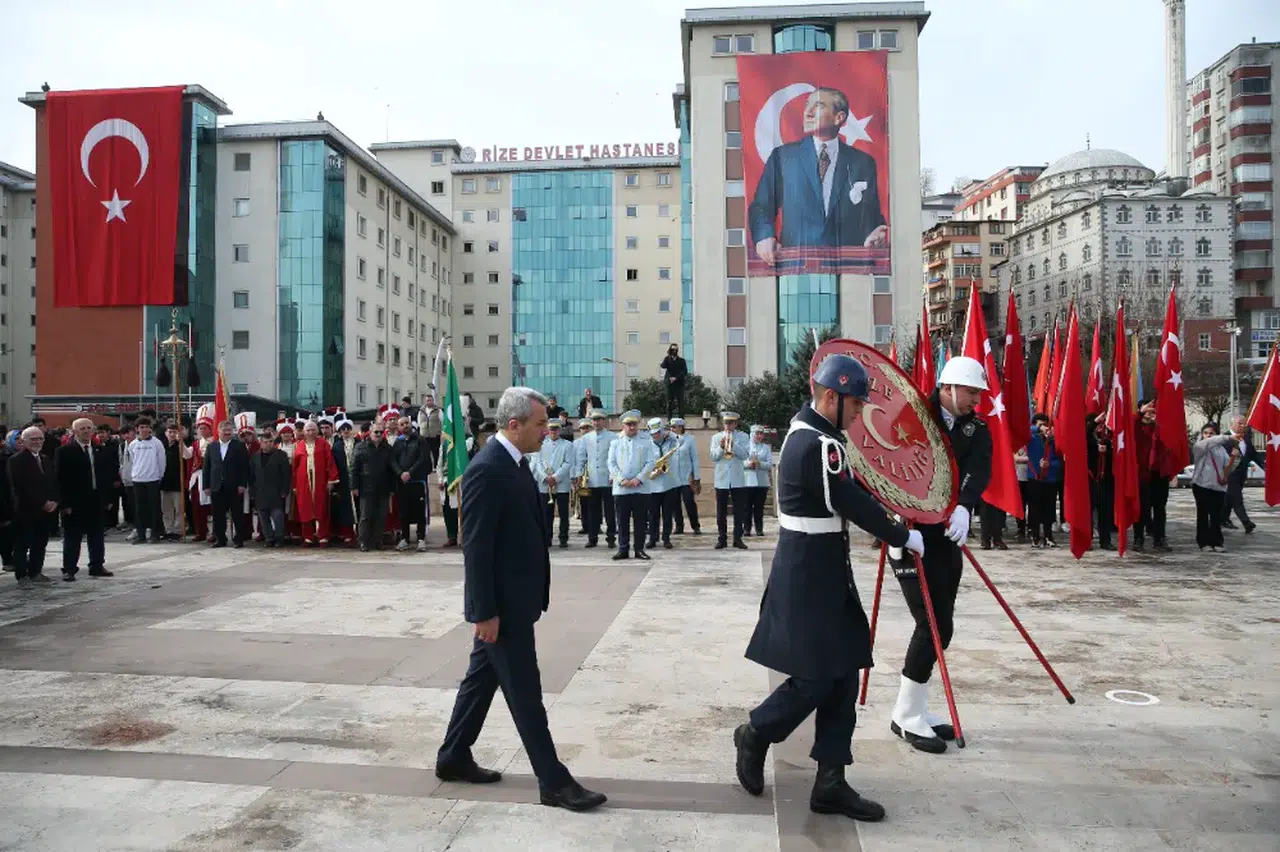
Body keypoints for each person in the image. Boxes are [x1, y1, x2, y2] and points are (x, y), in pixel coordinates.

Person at [735, 353, 923, 822]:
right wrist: (901, 534)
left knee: (843, 673)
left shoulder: (817, 436)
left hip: (822, 567)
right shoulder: (819, 445)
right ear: (831, 396)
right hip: (808, 575)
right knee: (816, 678)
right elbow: (850, 500)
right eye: (856, 405)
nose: (860, 414)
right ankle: (756, 731)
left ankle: (831, 781)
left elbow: (853, 493)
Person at [435, 387, 607, 813]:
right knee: (525, 693)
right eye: (540, 425)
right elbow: (475, 547)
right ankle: (553, 781)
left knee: (480, 681)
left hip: (515, 599)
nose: (548, 432)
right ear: (514, 426)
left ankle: (453, 756)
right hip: (503, 609)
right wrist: (483, 612)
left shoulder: (514, 463)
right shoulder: (487, 470)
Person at [888, 355, 992, 756]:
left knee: (942, 624)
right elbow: (890, 463)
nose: (975, 400)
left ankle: (916, 706)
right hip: (910, 533)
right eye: (970, 392)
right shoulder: (914, 415)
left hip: (948, 532)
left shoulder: (976, 428)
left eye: (978, 392)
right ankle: (905, 715)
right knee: (930, 624)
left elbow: (979, 467)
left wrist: (966, 504)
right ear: (948, 388)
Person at [747, 87, 888, 267]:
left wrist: (877, 232)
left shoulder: (862, 162)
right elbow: (761, 206)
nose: (808, 112)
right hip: (796, 267)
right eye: (807, 105)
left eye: (818, 106)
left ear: (839, 118)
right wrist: (764, 236)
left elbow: (871, 215)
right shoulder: (784, 157)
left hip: (847, 269)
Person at [54, 417, 117, 581]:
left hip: (96, 499)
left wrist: (108, 498)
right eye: (82, 428)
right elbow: (60, 479)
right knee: (72, 537)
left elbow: (107, 476)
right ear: (74, 432)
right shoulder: (65, 451)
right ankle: (69, 569)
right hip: (75, 502)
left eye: (89, 428)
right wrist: (64, 503)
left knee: (96, 535)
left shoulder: (100, 450)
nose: (87, 431)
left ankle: (96, 566)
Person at [7, 426, 58, 586]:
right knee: (22, 544)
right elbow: (20, 486)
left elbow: (51, 483)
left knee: (40, 543)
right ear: (24, 441)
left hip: (45, 511)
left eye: (40, 438)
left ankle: (36, 571)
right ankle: (22, 575)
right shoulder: (16, 460)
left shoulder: (45, 459)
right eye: (33, 439)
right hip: (26, 510)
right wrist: (41, 503)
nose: (37, 442)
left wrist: (54, 501)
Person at [607, 410, 655, 561]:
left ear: (638, 425)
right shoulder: (615, 442)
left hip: (640, 488)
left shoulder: (646, 440)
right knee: (622, 521)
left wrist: (638, 479)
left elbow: (650, 462)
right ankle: (623, 549)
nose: (632, 427)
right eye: (628, 424)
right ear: (623, 426)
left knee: (640, 521)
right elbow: (611, 463)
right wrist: (621, 479)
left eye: (634, 424)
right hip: (621, 489)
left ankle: (639, 549)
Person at [202, 420, 250, 548]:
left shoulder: (239, 446)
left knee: (237, 515)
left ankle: (239, 539)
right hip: (216, 486)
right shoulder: (212, 446)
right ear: (218, 432)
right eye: (224, 430)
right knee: (218, 515)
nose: (227, 433)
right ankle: (220, 539)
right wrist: (205, 485)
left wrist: (242, 484)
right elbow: (206, 467)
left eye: (229, 430)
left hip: (234, 486)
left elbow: (244, 467)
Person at [292, 420, 340, 546]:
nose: (310, 432)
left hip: (320, 481)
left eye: (313, 429)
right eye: (308, 430)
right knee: (305, 509)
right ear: (303, 432)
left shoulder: (323, 444)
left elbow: (330, 463)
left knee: (322, 508)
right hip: (303, 483)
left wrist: (331, 480)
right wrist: (294, 485)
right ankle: (308, 537)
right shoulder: (299, 445)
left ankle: (323, 536)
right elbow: (295, 467)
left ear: (317, 431)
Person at [1190, 422, 1236, 552]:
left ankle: (1217, 542)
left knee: (1216, 516)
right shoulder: (1199, 447)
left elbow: (1228, 468)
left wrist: (1234, 458)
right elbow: (1209, 443)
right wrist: (1228, 437)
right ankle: (1204, 542)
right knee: (1203, 515)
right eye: (1206, 433)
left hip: (1218, 487)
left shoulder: (1221, 450)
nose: (1208, 436)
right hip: (1201, 485)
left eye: (1211, 433)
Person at [710, 411, 751, 550]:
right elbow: (714, 457)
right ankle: (722, 539)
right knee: (721, 511)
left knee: (739, 510)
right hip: (721, 478)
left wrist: (733, 445)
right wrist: (722, 447)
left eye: (731, 423)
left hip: (737, 478)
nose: (728, 425)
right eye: (726, 423)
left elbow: (745, 455)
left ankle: (738, 538)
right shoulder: (716, 437)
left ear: (736, 423)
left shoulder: (743, 437)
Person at [353, 421, 396, 552]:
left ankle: (377, 540)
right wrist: (354, 486)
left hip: (383, 487)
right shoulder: (360, 447)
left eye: (380, 432)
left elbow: (391, 469)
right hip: (366, 487)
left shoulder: (387, 448)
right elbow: (354, 468)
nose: (378, 434)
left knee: (381, 516)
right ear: (370, 433)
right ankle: (363, 542)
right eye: (375, 432)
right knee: (365, 516)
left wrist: (392, 488)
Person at [576, 410, 616, 550]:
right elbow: (581, 457)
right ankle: (592, 538)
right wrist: (579, 473)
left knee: (610, 511)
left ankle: (611, 538)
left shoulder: (612, 437)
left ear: (604, 421)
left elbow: (615, 457)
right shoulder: (586, 438)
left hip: (608, 479)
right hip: (592, 479)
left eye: (599, 420)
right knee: (592, 511)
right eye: (594, 420)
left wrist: (613, 475)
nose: (596, 422)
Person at [393, 416, 433, 551]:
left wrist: (410, 472)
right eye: (402, 424)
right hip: (403, 483)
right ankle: (405, 539)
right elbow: (392, 460)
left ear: (411, 424)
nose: (405, 426)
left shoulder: (420, 440)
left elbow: (423, 458)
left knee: (419, 511)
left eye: (407, 423)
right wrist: (400, 473)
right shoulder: (397, 443)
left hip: (417, 481)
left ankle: (421, 539)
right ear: (399, 428)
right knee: (404, 512)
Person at [534, 418, 573, 548]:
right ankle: (547, 537)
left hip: (561, 484)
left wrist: (555, 477)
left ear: (559, 430)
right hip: (545, 484)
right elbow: (537, 463)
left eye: (556, 429)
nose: (553, 431)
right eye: (551, 429)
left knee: (563, 513)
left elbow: (568, 463)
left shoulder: (567, 445)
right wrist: (545, 477)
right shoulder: (540, 444)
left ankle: (563, 538)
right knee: (546, 514)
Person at [127, 417, 167, 545]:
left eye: (147, 427)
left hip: (153, 479)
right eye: (142, 427)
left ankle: (155, 534)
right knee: (139, 509)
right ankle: (141, 535)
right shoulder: (133, 444)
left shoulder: (157, 443)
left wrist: (159, 476)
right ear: (137, 429)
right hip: (138, 480)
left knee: (154, 508)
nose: (145, 430)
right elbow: (132, 461)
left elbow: (162, 461)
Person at [645, 417, 682, 550]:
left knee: (667, 513)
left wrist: (669, 432)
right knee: (653, 514)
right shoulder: (647, 443)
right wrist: (653, 470)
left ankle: (666, 538)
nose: (656, 435)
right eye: (653, 433)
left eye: (658, 432)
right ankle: (652, 538)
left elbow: (680, 440)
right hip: (653, 483)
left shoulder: (671, 440)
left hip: (669, 483)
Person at [250, 431, 292, 547]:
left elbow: (286, 475)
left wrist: (284, 491)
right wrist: (252, 492)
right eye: (265, 442)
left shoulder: (281, 455)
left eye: (270, 442)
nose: (268, 444)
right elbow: (251, 476)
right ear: (261, 443)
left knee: (278, 517)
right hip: (260, 492)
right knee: (263, 518)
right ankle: (269, 538)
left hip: (276, 492)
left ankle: (279, 538)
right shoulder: (255, 456)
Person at [1025, 413, 1060, 548]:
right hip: (1034, 477)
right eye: (1041, 424)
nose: (1044, 427)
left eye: (1046, 424)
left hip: (1050, 479)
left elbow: (1059, 460)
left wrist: (1049, 464)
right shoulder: (1031, 439)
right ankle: (1035, 535)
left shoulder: (1053, 441)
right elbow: (1025, 431)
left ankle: (1048, 535)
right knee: (1034, 509)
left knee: (1049, 508)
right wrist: (1037, 428)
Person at [1226, 415, 1263, 534]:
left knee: (1229, 499)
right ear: (1232, 425)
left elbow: (1253, 455)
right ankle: (1247, 523)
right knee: (1237, 499)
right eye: (1240, 423)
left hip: (1241, 475)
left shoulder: (1246, 438)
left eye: (1244, 424)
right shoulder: (1225, 438)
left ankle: (1223, 519)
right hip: (1229, 474)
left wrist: (1266, 467)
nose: (1242, 426)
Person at [669, 417, 702, 535]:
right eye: (671, 427)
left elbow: (694, 459)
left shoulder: (690, 439)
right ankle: (679, 526)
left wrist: (696, 477)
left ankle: (695, 525)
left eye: (674, 427)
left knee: (689, 502)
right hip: (673, 477)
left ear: (681, 427)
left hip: (686, 477)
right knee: (674, 503)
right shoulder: (669, 440)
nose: (672, 429)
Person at [1087, 417, 1116, 550]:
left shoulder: (1109, 439)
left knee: (1105, 512)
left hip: (1106, 480)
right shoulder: (1089, 439)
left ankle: (1106, 541)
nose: (1100, 428)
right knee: (1088, 512)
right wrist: (1094, 421)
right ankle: (1087, 540)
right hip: (1090, 480)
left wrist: (1107, 451)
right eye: (1098, 426)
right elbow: (1085, 433)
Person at [331, 414, 359, 545]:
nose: (346, 431)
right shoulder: (336, 446)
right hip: (343, 481)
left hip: (358, 479)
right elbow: (333, 464)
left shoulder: (359, 443)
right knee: (345, 507)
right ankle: (348, 533)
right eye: (343, 429)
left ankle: (361, 531)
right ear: (339, 432)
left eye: (348, 428)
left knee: (360, 506)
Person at [743, 425, 773, 537]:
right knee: (747, 507)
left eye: (761, 434)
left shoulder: (765, 448)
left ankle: (759, 529)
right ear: (752, 434)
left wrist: (760, 464)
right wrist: (748, 464)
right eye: (757, 433)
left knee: (759, 507)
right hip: (748, 481)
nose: (759, 436)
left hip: (762, 482)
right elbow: (739, 462)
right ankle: (746, 529)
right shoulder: (745, 447)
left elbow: (770, 464)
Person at [660, 344, 688, 418]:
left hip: (679, 384)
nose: (674, 351)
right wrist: (668, 357)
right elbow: (662, 366)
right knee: (669, 402)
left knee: (680, 402)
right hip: (669, 384)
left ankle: (681, 420)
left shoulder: (682, 361)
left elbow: (684, 371)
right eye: (672, 349)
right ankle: (669, 420)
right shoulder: (667, 359)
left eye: (676, 349)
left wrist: (676, 378)